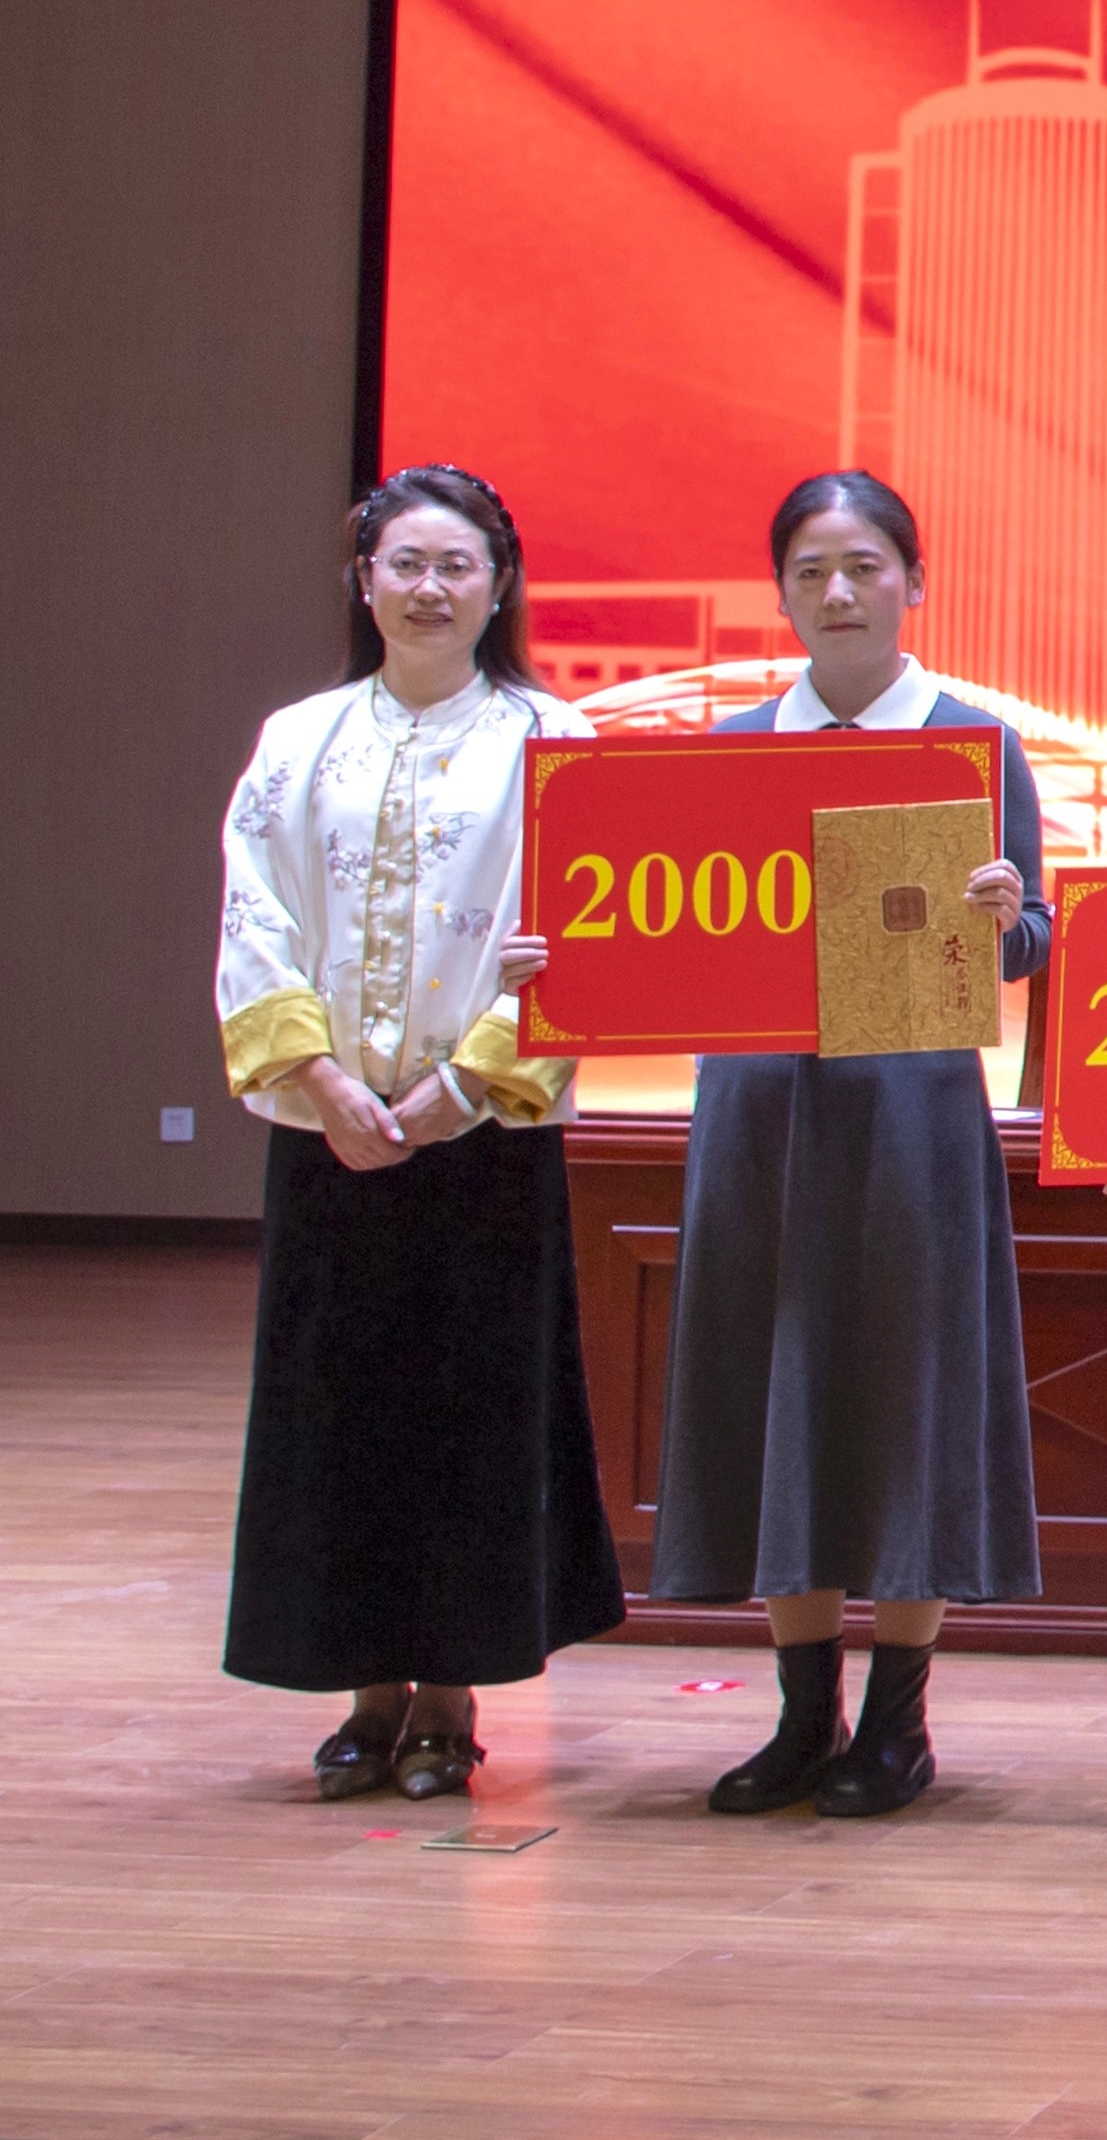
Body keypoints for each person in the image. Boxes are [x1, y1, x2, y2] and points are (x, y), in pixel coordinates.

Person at [622, 474, 1055, 1821]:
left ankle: (898, 1722)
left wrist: (1005, 917)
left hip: (913, 1119)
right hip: (759, 1115)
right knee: (779, 1389)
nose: (840, 592)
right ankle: (802, 1716)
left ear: (914, 583)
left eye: (864, 565)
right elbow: (671, 934)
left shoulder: (972, 743)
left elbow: (1033, 942)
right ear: (781, 595)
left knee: (906, 1393)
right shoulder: (734, 746)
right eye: (811, 570)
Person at [211, 468, 623, 1797]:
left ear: (500, 586)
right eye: (405, 564)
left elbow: (585, 941)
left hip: (484, 1144)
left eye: (457, 566)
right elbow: (255, 917)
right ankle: (364, 1694)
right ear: (365, 580)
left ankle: (450, 1701)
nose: (429, 588)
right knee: (341, 1414)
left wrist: (465, 1086)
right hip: (328, 1137)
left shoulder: (557, 741)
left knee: (470, 1420)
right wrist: (326, 1086)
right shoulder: (298, 740)